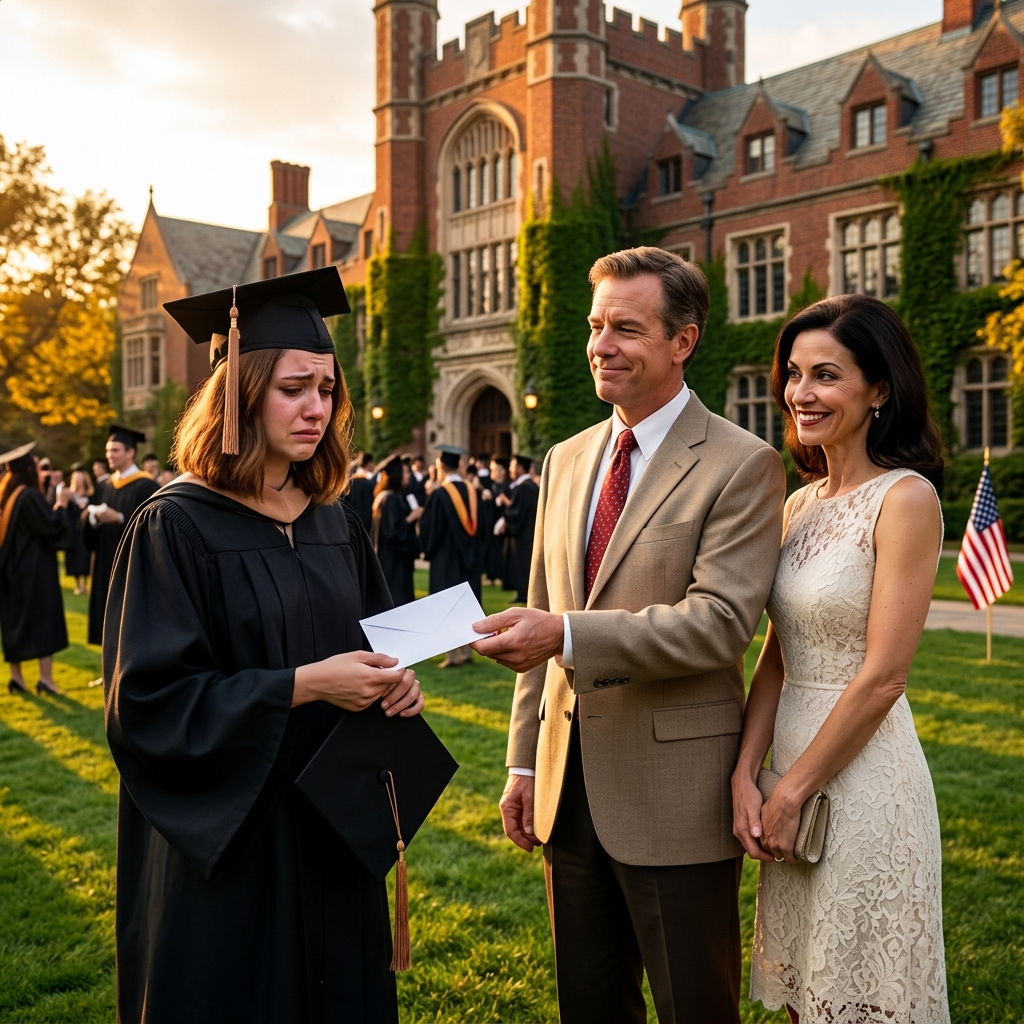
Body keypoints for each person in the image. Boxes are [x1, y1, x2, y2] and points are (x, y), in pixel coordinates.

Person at [104, 267, 428, 1023]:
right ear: (239, 392)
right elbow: (149, 704)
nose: (316, 408)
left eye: (326, 389)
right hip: (233, 835)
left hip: (333, 822)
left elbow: (375, 640)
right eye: (293, 388)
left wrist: (395, 683)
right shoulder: (176, 525)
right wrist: (304, 684)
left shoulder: (333, 517)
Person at [472, 246, 786, 1023]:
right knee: (589, 1003)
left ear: (683, 340)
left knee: (693, 1006)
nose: (600, 345)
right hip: (566, 788)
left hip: (675, 797)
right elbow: (538, 613)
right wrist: (521, 765)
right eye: (594, 325)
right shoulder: (567, 456)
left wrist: (568, 636)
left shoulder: (743, 464)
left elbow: (718, 626)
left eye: (626, 328)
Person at [732, 295, 949, 1024]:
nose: (801, 393)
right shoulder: (800, 505)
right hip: (786, 762)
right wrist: (747, 771)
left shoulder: (906, 499)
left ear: (879, 389)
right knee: (802, 992)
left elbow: (886, 674)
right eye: (793, 374)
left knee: (859, 994)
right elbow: (775, 656)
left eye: (826, 374)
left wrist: (793, 792)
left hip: (862, 781)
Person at [0, 443, 77, 695]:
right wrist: (61, 504)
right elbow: (52, 527)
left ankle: (17, 678)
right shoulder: (28, 496)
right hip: (34, 571)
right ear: (28, 470)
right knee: (45, 620)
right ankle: (45, 679)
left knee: (14, 622)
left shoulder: (8, 494)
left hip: (12, 570)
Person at [84, 426, 159, 646]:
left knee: (129, 618)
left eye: (115, 450)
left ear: (130, 453)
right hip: (105, 562)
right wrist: (93, 518)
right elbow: (87, 525)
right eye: (108, 451)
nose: (109, 455)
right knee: (107, 618)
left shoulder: (147, 486)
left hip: (132, 565)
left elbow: (155, 528)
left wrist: (119, 518)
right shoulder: (105, 485)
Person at [419, 444, 482, 667]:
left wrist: (428, 548)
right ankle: (467, 652)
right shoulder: (473, 491)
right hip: (470, 559)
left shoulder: (439, 495)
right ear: (460, 465)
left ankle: (452, 656)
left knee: (448, 605)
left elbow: (431, 529)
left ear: (441, 466)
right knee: (467, 604)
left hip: (446, 560)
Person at [372, 456, 423, 606]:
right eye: (405, 472)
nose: (409, 475)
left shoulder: (386, 497)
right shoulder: (391, 499)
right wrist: (411, 518)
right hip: (394, 564)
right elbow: (394, 533)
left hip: (388, 560)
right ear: (396, 475)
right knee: (398, 602)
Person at [496, 455, 539, 603]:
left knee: (523, 564)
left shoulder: (525, 487)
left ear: (521, 468)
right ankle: (522, 593)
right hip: (528, 532)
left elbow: (517, 511)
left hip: (523, 534)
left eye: (513, 466)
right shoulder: (529, 486)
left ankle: (524, 594)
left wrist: (507, 519)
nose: (510, 469)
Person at [64, 463, 94, 594]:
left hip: (87, 530)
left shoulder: (91, 494)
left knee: (86, 556)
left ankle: (86, 584)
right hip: (75, 531)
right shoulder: (70, 496)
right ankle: (78, 585)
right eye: (78, 480)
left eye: (82, 480)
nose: (80, 482)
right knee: (75, 557)